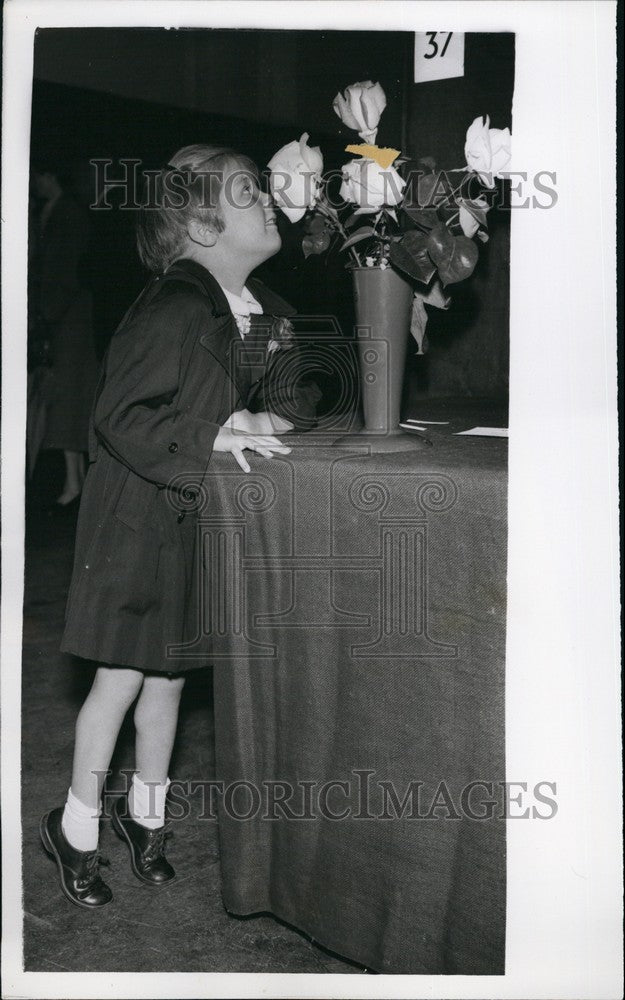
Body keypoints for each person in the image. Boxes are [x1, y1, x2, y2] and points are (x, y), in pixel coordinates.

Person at [40, 143, 320, 908]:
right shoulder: (172, 306)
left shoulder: (260, 310)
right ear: (201, 227)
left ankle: (146, 817)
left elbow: (306, 393)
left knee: (170, 678)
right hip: (137, 524)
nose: (268, 197)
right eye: (248, 190)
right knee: (122, 678)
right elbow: (122, 413)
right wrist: (212, 433)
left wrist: (264, 413)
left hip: (195, 522)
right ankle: (75, 826)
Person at [30, 162, 100, 507]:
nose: (35, 181)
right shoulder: (54, 211)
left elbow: (65, 270)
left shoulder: (67, 214)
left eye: (39, 174)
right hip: (63, 312)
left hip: (68, 315)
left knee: (69, 398)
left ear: (51, 174)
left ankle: (76, 482)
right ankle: (76, 479)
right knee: (64, 399)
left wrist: (46, 315)